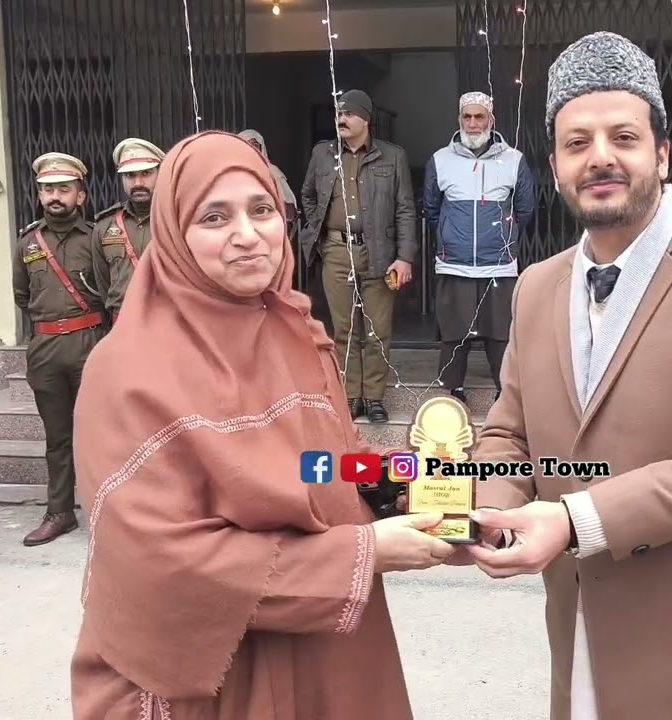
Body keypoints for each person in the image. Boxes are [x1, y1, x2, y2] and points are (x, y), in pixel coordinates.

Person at [459, 32, 672, 720]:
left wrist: (572, 519)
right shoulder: (536, 286)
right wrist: (492, 514)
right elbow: (508, 431)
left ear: (662, 152)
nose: (601, 158)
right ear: (557, 167)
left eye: (623, 136)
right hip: (584, 642)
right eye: (576, 142)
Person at [70, 130, 453, 719]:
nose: (248, 237)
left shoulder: (299, 333)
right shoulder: (127, 371)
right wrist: (362, 554)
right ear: (173, 234)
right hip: (216, 671)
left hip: (326, 652)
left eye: (262, 210)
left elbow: (323, 461)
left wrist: (405, 479)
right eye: (214, 217)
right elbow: (156, 556)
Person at [299, 89, 417, 423]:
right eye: (339, 113)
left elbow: (406, 210)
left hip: (379, 252)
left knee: (377, 329)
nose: (341, 119)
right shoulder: (323, 154)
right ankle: (351, 396)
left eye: (349, 113)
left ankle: (374, 397)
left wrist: (405, 256)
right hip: (336, 251)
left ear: (366, 119)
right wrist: (321, 236)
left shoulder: (392, 157)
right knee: (344, 328)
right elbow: (308, 195)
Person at [12, 152, 104, 547]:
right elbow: (21, 295)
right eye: (47, 189)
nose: (54, 196)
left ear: (80, 195)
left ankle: (107, 511)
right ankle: (60, 511)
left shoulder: (97, 237)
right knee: (58, 437)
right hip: (46, 347)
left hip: (90, 345)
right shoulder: (28, 242)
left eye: (63, 189)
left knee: (100, 432)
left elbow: (108, 289)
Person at [423, 91, 535, 401]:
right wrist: (451, 236)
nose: (473, 124)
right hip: (454, 262)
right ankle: (453, 392)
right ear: (459, 120)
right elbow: (432, 209)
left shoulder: (513, 160)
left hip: (498, 264)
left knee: (500, 333)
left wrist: (502, 237)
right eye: (467, 117)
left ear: (491, 120)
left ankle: (506, 393)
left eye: (479, 117)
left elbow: (525, 209)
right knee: (454, 332)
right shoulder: (440, 160)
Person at [90, 138, 164, 323]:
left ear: (161, 173)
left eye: (146, 173)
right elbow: (102, 283)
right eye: (130, 175)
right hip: (122, 324)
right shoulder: (104, 227)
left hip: (168, 323)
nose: (138, 182)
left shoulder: (177, 220)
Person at [239, 129, 299, 239]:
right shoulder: (230, 176)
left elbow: (289, 209)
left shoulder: (273, 173)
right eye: (247, 146)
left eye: (255, 146)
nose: (252, 151)